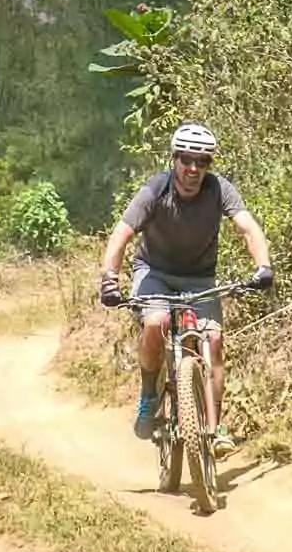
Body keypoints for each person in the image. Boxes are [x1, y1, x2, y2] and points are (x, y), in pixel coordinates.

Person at [97, 122, 274, 446]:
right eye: (187, 160)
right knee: (157, 322)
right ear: (174, 159)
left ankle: (215, 426)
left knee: (214, 340)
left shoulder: (219, 189)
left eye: (203, 161)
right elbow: (121, 234)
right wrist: (110, 279)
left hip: (199, 278)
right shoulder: (155, 189)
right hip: (155, 272)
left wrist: (263, 266)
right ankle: (149, 394)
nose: (194, 169)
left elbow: (248, 228)